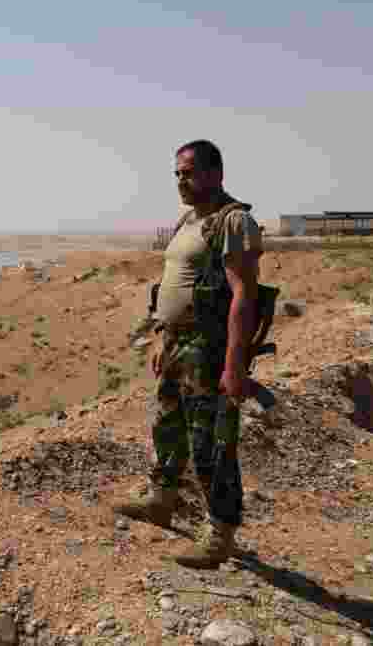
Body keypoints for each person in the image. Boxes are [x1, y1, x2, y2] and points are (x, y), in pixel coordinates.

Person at [113, 139, 263, 569]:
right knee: (167, 426)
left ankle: (220, 534)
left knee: (210, 442)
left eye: (190, 172)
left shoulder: (232, 221)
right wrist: (163, 337)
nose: (182, 179)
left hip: (209, 349)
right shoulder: (187, 221)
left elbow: (243, 296)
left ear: (216, 173)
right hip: (178, 342)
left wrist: (235, 364)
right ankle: (161, 500)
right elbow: (174, 285)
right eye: (178, 173)